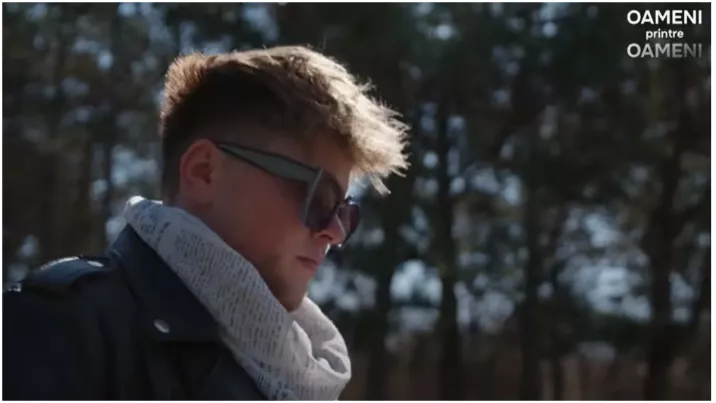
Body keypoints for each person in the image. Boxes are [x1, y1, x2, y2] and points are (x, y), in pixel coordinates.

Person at [3, 45, 409, 400]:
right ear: (203, 172)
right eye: (318, 196)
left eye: (344, 211)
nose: (334, 231)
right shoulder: (56, 331)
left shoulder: (303, 372)